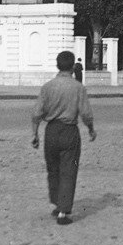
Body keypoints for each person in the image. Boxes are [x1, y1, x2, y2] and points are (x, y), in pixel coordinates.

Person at [32, 51, 96, 225]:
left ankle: (57, 203)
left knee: (53, 169)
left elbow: (36, 113)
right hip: (69, 131)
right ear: (73, 67)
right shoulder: (78, 88)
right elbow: (86, 114)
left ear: (57, 65)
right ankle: (63, 211)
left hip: (51, 131)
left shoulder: (47, 87)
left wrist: (35, 134)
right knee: (68, 170)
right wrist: (91, 130)